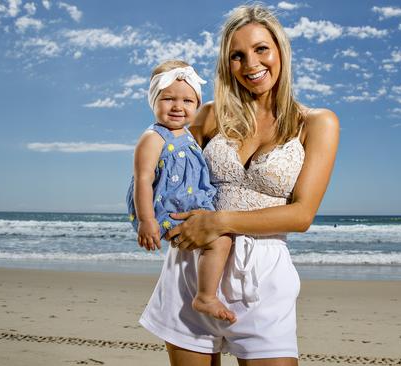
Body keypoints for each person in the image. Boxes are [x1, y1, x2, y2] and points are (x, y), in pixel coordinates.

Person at [139, 5, 339, 366]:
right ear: (225, 63)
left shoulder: (317, 122)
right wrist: (158, 220)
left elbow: (302, 214)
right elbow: (160, 165)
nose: (251, 64)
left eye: (261, 49)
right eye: (237, 55)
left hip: (263, 277)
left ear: (280, 51)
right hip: (194, 266)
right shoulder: (208, 114)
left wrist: (218, 221)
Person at [126, 60, 236, 323]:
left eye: (188, 101)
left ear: (197, 106)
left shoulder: (187, 135)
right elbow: (142, 179)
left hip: (188, 205)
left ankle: (207, 289)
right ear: (153, 101)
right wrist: (147, 220)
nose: (178, 106)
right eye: (168, 99)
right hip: (167, 211)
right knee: (221, 240)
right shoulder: (153, 138)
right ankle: (205, 296)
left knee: (220, 239)